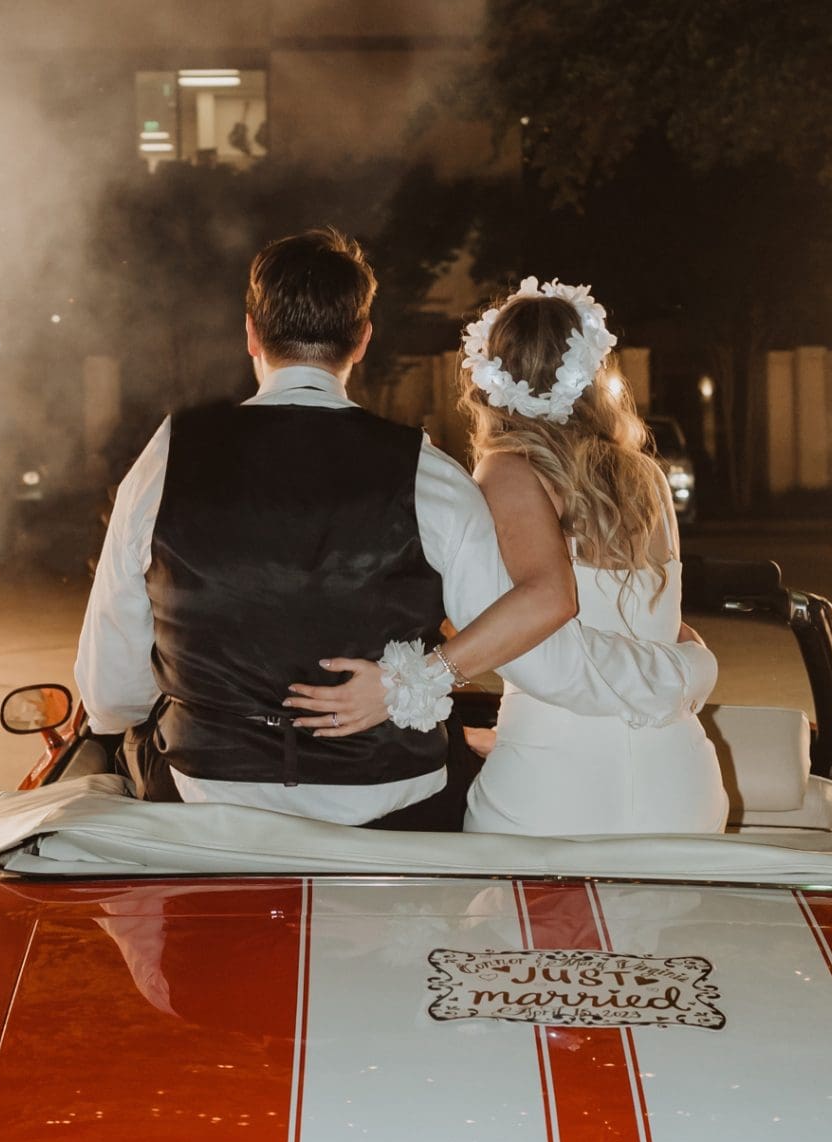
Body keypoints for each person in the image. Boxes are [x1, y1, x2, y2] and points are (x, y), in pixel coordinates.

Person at [74, 230, 717, 829]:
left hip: (206, 794)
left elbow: (109, 693)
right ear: (361, 339)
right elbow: (512, 628)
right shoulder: (431, 475)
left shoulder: (167, 456)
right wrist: (689, 667)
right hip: (392, 803)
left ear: (250, 334)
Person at [293, 276, 729, 839]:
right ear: (596, 370)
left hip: (556, 792)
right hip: (680, 784)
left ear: (490, 376)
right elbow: (653, 628)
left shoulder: (508, 470)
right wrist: (692, 667)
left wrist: (408, 685)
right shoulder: (645, 476)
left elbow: (544, 622)